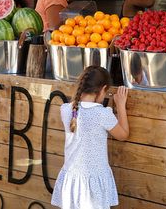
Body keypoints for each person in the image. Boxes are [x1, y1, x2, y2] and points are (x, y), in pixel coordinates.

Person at [51, 66, 129, 209]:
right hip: (93, 183)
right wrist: (121, 105)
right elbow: (123, 135)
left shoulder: (67, 110)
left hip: (72, 179)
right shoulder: (102, 114)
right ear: (103, 89)